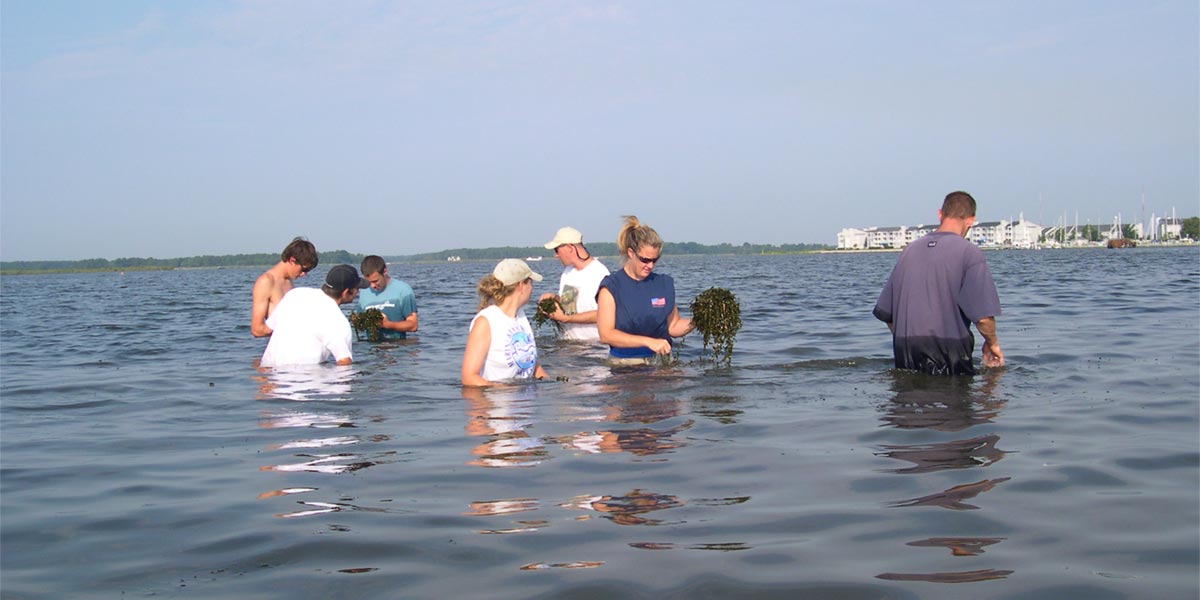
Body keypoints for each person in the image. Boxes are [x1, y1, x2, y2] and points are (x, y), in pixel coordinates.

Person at [873, 191, 1004, 375]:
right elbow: (983, 318)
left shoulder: (909, 251)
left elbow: (888, 314)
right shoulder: (969, 253)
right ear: (971, 220)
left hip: (906, 349)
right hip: (949, 352)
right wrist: (992, 344)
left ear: (940, 214)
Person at [596, 216, 693, 363]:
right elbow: (606, 334)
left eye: (654, 260)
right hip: (625, 363)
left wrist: (700, 319)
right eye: (645, 260)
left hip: (661, 361)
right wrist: (649, 342)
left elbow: (673, 327)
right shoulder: (611, 286)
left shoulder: (663, 284)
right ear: (630, 253)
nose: (650, 265)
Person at [260, 265, 368, 367]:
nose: (358, 291)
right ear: (345, 292)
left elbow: (267, 329)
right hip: (303, 380)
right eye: (356, 289)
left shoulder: (295, 294)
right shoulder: (338, 322)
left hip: (269, 376)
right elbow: (344, 362)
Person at [461, 259, 548, 386]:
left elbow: (531, 365)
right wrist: (504, 390)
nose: (532, 288)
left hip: (525, 402)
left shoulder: (521, 316)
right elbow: (469, 378)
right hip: (496, 401)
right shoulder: (486, 322)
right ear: (520, 286)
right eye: (530, 282)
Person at [539, 226, 611, 341]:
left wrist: (566, 318)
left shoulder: (599, 273)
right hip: (569, 345)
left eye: (556, 250)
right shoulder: (568, 272)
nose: (556, 255)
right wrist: (554, 299)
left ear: (569, 248)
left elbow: (605, 314)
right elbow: (569, 305)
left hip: (594, 347)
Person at [251, 237, 318, 337]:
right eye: (304, 269)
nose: (304, 274)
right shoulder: (266, 281)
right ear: (292, 260)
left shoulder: (289, 282)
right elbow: (257, 330)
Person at [357, 255, 418, 339]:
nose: (372, 286)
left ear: (384, 271)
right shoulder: (364, 291)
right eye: (368, 282)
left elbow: (413, 325)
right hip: (372, 348)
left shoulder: (403, 290)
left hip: (398, 346)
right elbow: (359, 323)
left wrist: (387, 324)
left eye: (375, 281)